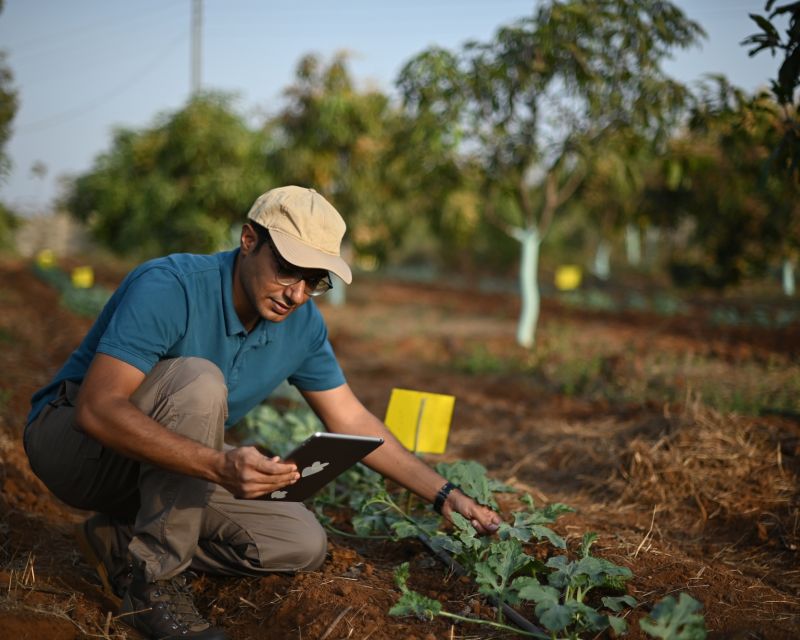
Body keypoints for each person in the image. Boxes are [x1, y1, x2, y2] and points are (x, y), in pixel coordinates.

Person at [24, 185, 501, 640]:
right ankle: (154, 583)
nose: (296, 293)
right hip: (76, 449)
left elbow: (352, 421)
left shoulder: (303, 326)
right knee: (199, 381)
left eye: (315, 282)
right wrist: (217, 465)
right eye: (288, 269)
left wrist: (445, 495)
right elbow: (97, 408)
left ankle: (115, 539)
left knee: (298, 541)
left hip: (158, 466)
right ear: (249, 240)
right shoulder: (171, 286)